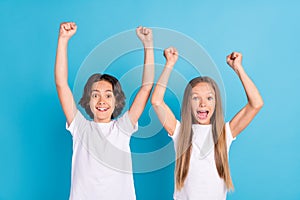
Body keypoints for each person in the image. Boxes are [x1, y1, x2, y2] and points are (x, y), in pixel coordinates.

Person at [54, 22, 154, 200]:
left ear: (116, 101)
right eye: (95, 95)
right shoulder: (80, 127)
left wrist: (148, 45)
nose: (101, 101)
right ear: (88, 100)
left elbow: (146, 88)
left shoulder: (123, 127)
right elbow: (61, 84)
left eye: (108, 95)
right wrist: (63, 40)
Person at [151, 47, 263, 199]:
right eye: (196, 98)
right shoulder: (179, 132)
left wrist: (238, 68)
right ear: (188, 104)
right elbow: (157, 101)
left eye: (209, 98)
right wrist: (169, 64)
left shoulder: (225, 133)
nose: (203, 104)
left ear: (216, 103)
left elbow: (256, 104)